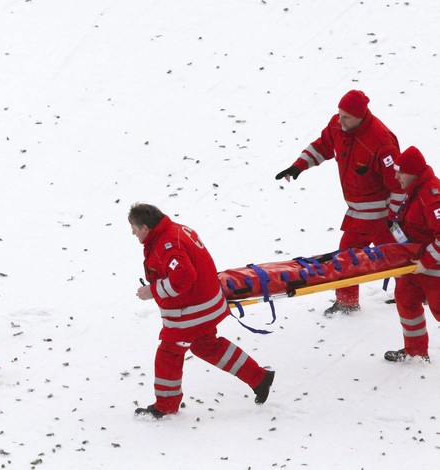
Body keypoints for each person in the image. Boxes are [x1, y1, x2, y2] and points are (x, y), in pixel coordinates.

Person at [129, 203, 274, 419]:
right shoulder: (175, 230)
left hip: (193, 310)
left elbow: (184, 276)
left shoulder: (167, 245)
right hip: (207, 303)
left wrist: (153, 290)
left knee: (169, 352)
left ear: (146, 228)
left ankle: (165, 406)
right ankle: (259, 378)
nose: (132, 232)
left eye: (134, 228)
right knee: (205, 346)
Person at [275, 90, 404, 315]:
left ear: (361, 117)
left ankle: (414, 296)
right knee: (348, 259)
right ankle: (347, 302)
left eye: (346, 117)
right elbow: (322, 146)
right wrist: (298, 166)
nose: (340, 120)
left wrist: (393, 218)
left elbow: (398, 186)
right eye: (339, 114)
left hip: (382, 218)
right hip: (357, 214)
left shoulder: (381, 141)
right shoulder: (338, 124)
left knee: (397, 260)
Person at [383, 147, 440, 362]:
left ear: (414, 172)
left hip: (432, 267)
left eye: (400, 171)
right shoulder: (414, 190)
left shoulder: (432, 195)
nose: (395, 176)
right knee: (406, 300)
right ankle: (415, 352)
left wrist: (426, 262)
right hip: (414, 265)